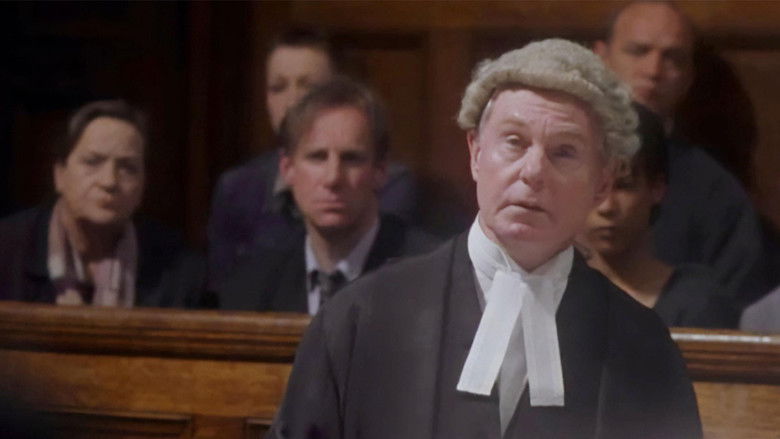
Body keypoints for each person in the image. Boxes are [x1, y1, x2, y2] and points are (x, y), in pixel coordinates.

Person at [267, 39, 701, 438]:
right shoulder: (361, 318)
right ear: (476, 152)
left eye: (564, 151)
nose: (533, 171)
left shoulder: (642, 346)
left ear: (603, 181)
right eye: (514, 142)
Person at [207, 28, 419, 289]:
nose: (292, 101)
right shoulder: (237, 188)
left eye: (309, 88)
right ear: (287, 167)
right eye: (278, 87)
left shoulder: (392, 184)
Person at [595, 1, 768, 305]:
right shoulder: (551, 162)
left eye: (672, 58)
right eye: (638, 51)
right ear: (601, 57)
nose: (653, 71)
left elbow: (737, 310)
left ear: (689, 75)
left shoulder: (716, 191)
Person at [216, 77, 435, 314]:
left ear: (380, 171)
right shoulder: (251, 282)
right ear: (287, 170)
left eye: (351, 158)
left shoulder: (431, 274)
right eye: (317, 157)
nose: (333, 178)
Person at [0, 100, 204, 307]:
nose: (109, 181)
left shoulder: (181, 270)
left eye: (128, 168)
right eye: (92, 162)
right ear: (59, 175)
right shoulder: (7, 250)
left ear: (143, 184)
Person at [578, 103, 737, 328]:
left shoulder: (699, 302)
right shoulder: (550, 293)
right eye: (597, 187)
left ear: (657, 188)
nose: (607, 206)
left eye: (625, 186)